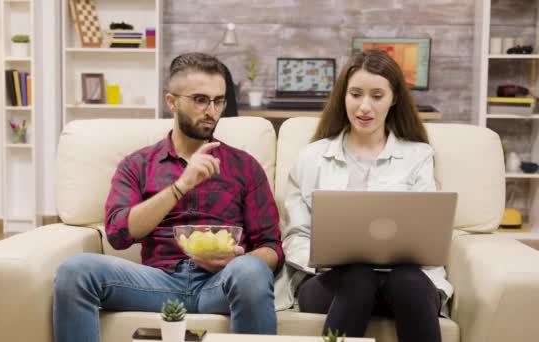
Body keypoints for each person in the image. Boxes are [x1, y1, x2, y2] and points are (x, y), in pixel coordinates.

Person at [52, 52, 284, 342]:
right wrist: (180, 185)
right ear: (172, 102)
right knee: (75, 270)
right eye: (200, 99)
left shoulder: (244, 166)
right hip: (157, 282)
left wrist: (236, 261)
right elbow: (118, 233)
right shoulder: (138, 164)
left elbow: (272, 248)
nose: (211, 110)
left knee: (252, 269)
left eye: (219, 100)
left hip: (221, 284)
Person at [276, 50, 452, 342]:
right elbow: (296, 236)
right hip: (330, 282)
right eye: (355, 94)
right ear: (343, 96)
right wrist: (322, 260)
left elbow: (427, 234)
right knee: (358, 275)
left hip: (403, 283)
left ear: (394, 98)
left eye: (377, 95)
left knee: (407, 280)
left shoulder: (418, 156)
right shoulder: (313, 157)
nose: (364, 107)